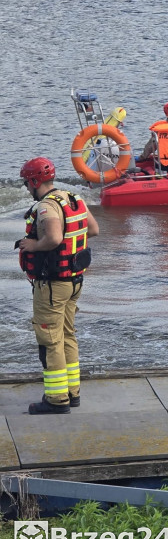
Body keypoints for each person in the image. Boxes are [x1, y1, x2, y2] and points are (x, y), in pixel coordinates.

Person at [17, 158, 99, 414]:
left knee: (50, 340)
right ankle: (72, 393)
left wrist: (33, 245)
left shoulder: (46, 206)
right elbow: (94, 229)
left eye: (26, 183)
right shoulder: (72, 198)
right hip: (74, 281)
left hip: (52, 286)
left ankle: (56, 400)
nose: (26, 187)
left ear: (33, 182)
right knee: (67, 335)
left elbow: (53, 238)